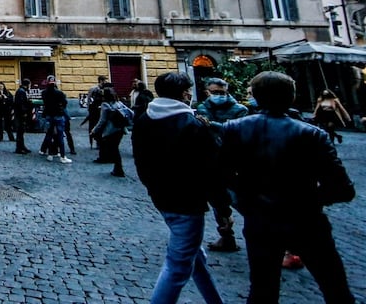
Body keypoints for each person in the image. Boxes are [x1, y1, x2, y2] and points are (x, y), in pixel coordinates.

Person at [220, 71, 356, 303]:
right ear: (291, 97)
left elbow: (222, 176)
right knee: (335, 289)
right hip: (307, 220)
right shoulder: (312, 134)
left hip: (260, 221)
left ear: (256, 97)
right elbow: (343, 188)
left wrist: (245, 201)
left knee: (262, 290)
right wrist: (309, 200)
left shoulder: (233, 128)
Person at [132, 72, 224, 304]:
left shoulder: (145, 119)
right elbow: (210, 171)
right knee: (178, 267)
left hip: (161, 196)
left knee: (194, 257)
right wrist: (222, 208)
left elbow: (140, 161)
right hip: (187, 201)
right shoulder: (193, 125)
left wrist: (152, 187)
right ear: (185, 93)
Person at [194, 77, 246, 253]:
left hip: (235, 163)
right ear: (207, 91)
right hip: (210, 162)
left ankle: (269, 236)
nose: (219, 95)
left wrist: (212, 125)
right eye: (215, 92)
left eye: (222, 92)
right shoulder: (202, 108)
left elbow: (239, 132)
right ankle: (226, 237)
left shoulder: (240, 110)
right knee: (218, 203)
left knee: (242, 201)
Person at [90, 87, 129, 177]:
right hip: (120, 129)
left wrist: (94, 130)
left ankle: (119, 169)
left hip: (110, 130)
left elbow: (102, 121)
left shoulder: (105, 105)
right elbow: (129, 112)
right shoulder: (118, 103)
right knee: (115, 148)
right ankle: (117, 168)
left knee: (114, 149)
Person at [41, 76, 72, 164]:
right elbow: (65, 103)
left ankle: (50, 154)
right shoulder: (59, 93)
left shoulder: (44, 93)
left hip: (49, 116)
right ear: (55, 83)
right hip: (58, 115)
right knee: (60, 136)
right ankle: (62, 156)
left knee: (49, 135)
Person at [85, 75, 108, 150]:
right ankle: (96, 141)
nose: (106, 82)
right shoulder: (94, 89)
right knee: (94, 125)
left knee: (102, 126)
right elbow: (89, 99)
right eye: (104, 80)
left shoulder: (106, 89)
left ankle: (101, 141)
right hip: (95, 111)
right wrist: (89, 109)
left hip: (103, 110)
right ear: (101, 81)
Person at [12, 79, 34, 154]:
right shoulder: (21, 91)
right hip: (20, 114)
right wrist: (24, 112)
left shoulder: (22, 91)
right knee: (20, 131)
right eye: (30, 85)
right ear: (27, 84)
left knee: (21, 131)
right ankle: (19, 148)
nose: (30, 86)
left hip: (20, 113)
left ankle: (22, 146)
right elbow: (21, 104)